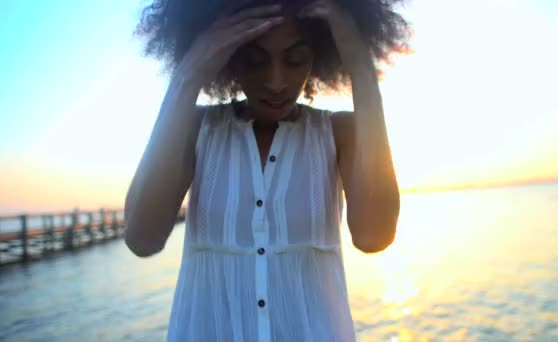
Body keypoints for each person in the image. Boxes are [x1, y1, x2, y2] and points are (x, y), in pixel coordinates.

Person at [124, 0, 408, 340]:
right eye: (255, 61)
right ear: (227, 56)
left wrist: (361, 66)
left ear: (319, 55)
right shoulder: (196, 129)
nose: (276, 81)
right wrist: (187, 76)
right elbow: (142, 238)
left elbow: (374, 236)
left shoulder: (340, 134)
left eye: (295, 59)